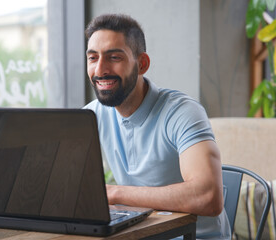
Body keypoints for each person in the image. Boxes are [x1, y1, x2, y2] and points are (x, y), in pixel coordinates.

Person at [84, 13, 231, 239]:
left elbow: (209, 197)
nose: (100, 69)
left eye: (114, 57)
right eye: (93, 58)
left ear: (141, 64)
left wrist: (115, 194)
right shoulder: (91, 115)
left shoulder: (182, 112)